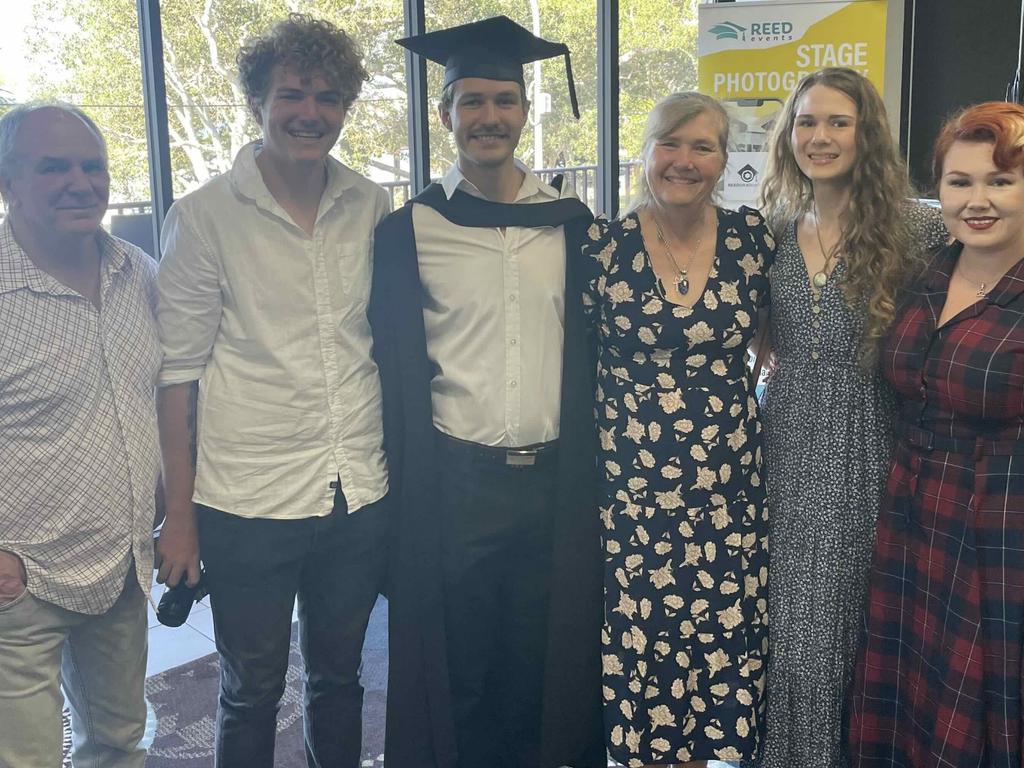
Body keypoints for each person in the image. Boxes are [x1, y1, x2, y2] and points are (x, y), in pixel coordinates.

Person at [154, 15, 390, 767]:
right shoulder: (203, 217)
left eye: (328, 97)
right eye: (291, 93)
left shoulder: (372, 206)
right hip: (247, 499)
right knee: (251, 688)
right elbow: (177, 376)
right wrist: (180, 518)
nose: (309, 112)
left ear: (346, 107)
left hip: (356, 492)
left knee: (338, 680)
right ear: (258, 99)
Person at [372, 16, 605, 768]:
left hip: (554, 481)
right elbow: (388, 361)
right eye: (471, 102)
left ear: (525, 113)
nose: (489, 118)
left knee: (537, 661)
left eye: (504, 101)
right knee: (460, 661)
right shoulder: (410, 231)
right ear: (446, 116)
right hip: (456, 481)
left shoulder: (575, 228)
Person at [753, 68, 946, 768]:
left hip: (871, 441)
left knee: (845, 632)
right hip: (781, 443)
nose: (821, 137)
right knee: (781, 631)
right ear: (788, 134)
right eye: (807, 122)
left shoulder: (918, 224)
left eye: (839, 122)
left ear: (866, 134)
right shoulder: (772, 228)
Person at [582, 91, 774, 767]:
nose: (685, 161)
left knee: (715, 639)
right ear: (646, 152)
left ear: (726, 159)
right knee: (643, 639)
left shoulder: (756, 241)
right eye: (671, 143)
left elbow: (785, 343)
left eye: (704, 146)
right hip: (631, 488)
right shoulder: (601, 247)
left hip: (727, 489)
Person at [849, 100, 1024, 768]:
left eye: (1000, 182)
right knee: (912, 695)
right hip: (915, 519)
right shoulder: (929, 273)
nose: (978, 200)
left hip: (1001, 535)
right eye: (961, 182)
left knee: (984, 705)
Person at [0, 103, 161, 768]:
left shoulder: (140, 274)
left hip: (122, 569)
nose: (80, 182)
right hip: (20, 580)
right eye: (53, 166)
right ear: (7, 183)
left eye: (92, 166)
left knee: (119, 744)